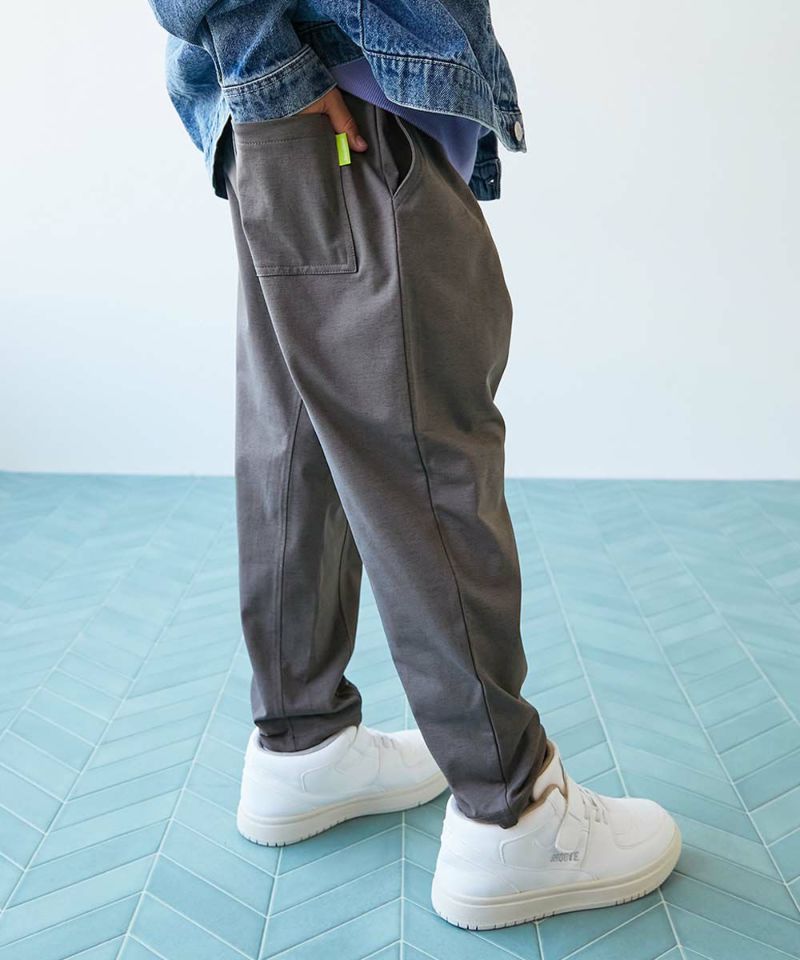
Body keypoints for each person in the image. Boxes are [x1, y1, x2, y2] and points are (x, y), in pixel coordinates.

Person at [147, 0, 681, 930]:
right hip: (343, 100)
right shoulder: (307, 83)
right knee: (426, 453)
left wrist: (267, 79)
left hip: (295, 108)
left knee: (299, 444)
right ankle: (515, 814)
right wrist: (276, 71)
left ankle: (305, 744)